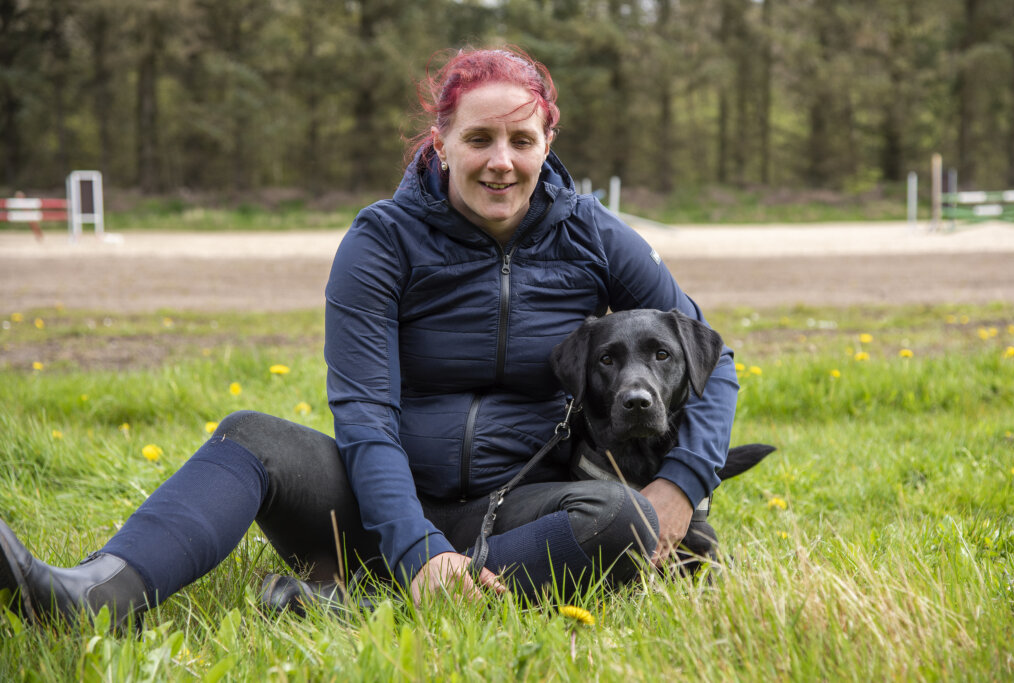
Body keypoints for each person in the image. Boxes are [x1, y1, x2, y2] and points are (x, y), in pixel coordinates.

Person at [0, 46, 738, 628]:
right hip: (371, 506)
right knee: (250, 436)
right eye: (478, 138)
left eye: (521, 139)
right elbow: (365, 418)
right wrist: (416, 547)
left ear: (549, 141)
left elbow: (713, 355)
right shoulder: (382, 241)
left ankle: (361, 601)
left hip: (519, 509)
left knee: (621, 517)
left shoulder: (593, 233)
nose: (501, 161)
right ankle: (89, 594)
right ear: (441, 142)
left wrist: (680, 486)